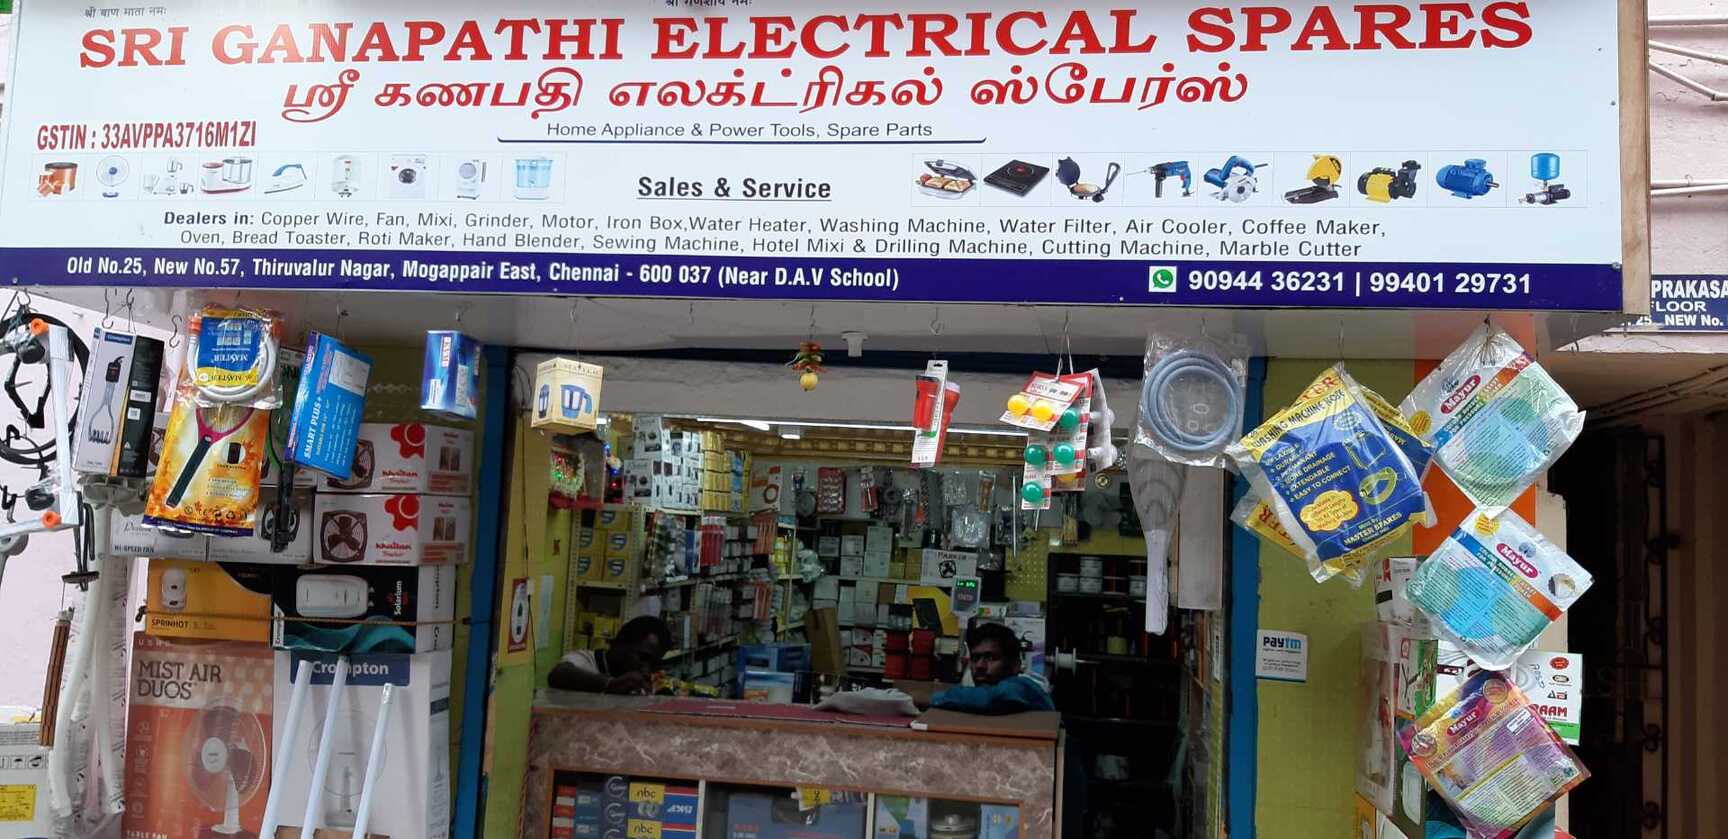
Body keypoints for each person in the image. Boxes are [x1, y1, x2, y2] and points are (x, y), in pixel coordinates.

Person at [930, 622, 1054, 714]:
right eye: (975, 658)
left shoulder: (1024, 686)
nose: (979, 666)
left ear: (1015, 665)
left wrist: (934, 698)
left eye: (990, 658)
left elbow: (995, 697)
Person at [548, 615, 671, 695]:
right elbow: (558, 674)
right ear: (620, 644)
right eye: (642, 658)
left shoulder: (640, 685)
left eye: (653, 665)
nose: (646, 670)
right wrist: (611, 684)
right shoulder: (586, 660)